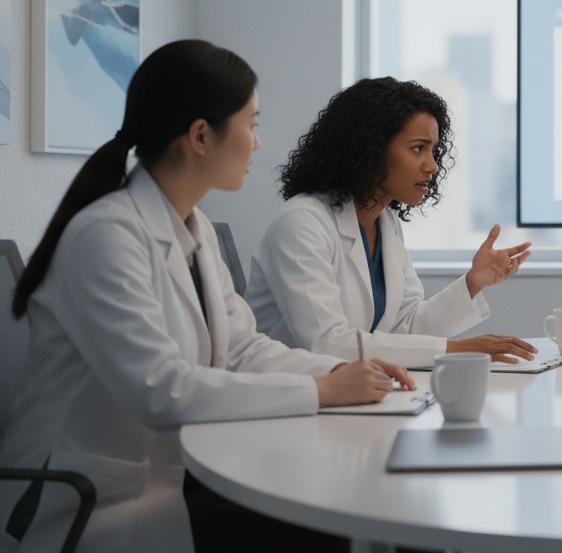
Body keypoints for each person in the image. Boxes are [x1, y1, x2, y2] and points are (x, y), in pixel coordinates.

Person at [0, 41, 412, 553]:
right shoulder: (106, 235)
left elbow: (242, 349)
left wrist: (333, 374)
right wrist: (323, 392)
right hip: (83, 499)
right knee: (334, 527)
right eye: (252, 125)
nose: (258, 145)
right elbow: (159, 390)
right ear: (200, 136)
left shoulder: (194, 230)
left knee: (352, 513)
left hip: (166, 477)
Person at [246, 77, 537, 369]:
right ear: (369, 149)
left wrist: (473, 283)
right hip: (288, 393)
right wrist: (453, 349)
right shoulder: (303, 223)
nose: (432, 166)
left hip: (348, 394)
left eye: (433, 150)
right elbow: (326, 342)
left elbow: (404, 328)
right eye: (417, 148)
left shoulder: (386, 223)